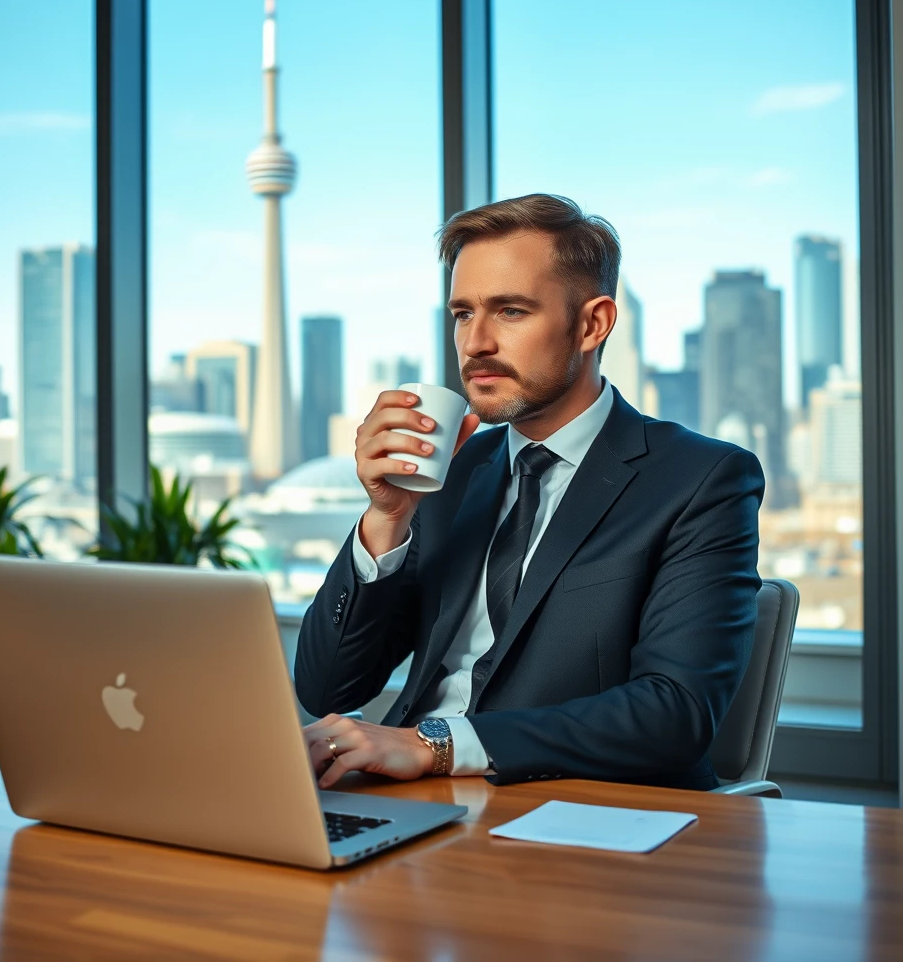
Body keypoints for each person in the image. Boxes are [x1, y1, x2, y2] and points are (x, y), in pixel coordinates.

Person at [295, 193, 764, 790]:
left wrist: (435, 745)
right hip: (407, 799)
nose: (475, 343)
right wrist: (384, 518)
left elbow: (675, 714)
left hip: (571, 812)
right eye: (463, 314)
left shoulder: (701, 479)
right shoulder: (451, 472)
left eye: (510, 311)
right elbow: (327, 687)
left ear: (592, 324)